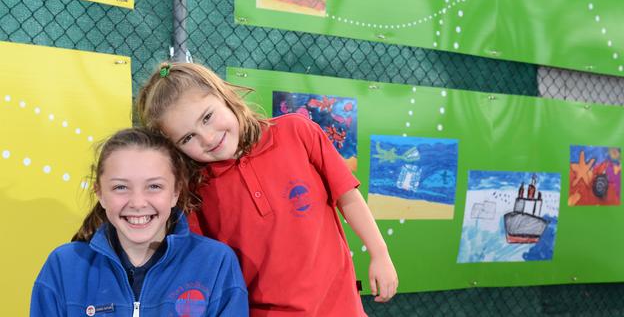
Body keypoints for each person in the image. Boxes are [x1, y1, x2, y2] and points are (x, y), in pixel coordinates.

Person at [136, 62, 398, 316]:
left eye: (207, 117)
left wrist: (380, 253)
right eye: (188, 137)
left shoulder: (297, 132)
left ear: (225, 97)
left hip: (340, 306)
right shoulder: (194, 190)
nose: (207, 138)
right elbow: (206, 265)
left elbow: (348, 197)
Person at [30, 128, 248, 317]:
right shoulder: (63, 265)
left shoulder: (216, 263)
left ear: (175, 192)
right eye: (120, 187)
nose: (137, 203)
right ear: (100, 194)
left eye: (154, 186)